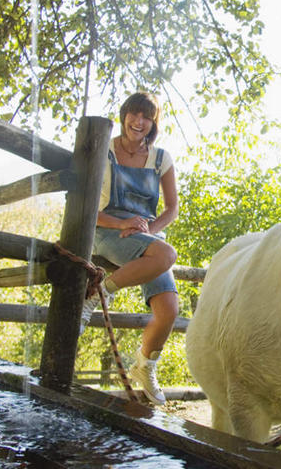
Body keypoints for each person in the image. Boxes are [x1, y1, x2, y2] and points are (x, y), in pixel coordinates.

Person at [80, 91, 179, 405]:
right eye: (134, 115)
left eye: (146, 117)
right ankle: (99, 293)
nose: (139, 122)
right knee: (166, 255)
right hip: (107, 228)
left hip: (145, 234)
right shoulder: (103, 151)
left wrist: (150, 229)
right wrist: (121, 223)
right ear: (124, 116)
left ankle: (144, 366)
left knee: (169, 312)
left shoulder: (161, 159)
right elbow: (83, 206)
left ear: (153, 123)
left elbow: (171, 209)